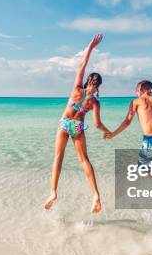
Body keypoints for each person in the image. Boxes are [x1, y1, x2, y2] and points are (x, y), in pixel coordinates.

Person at [44, 34, 110, 213]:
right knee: (84, 160)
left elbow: (82, 64)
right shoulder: (95, 102)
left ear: (88, 80)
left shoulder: (77, 89)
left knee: (58, 157)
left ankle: (53, 192)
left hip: (65, 124)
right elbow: (97, 124)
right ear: (98, 86)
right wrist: (108, 131)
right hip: (78, 128)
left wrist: (90, 46)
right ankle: (95, 194)